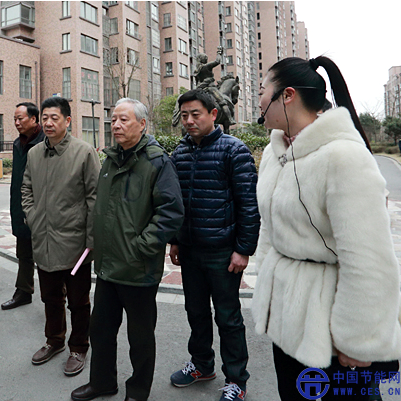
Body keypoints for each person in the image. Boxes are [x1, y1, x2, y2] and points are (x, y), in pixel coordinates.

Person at [253, 56, 401, 400]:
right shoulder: (275, 153)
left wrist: (357, 339)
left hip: (333, 331)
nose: (258, 99)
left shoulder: (344, 157)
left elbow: (368, 258)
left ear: (287, 95)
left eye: (262, 90)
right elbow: (270, 229)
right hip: (287, 323)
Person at [71, 98, 184, 401]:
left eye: (124, 120)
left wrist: (141, 247)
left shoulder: (157, 162)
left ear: (142, 124)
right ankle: (102, 382)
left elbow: (171, 211)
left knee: (140, 338)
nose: (116, 125)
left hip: (138, 268)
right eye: (114, 120)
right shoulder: (111, 159)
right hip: (108, 266)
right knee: (101, 331)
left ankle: (137, 391)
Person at [168, 89, 260, 401]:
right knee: (195, 312)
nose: (189, 121)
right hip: (190, 250)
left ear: (213, 114)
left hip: (223, 251)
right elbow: (175, 202)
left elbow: (249, 204)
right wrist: (175, 240)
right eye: (184, 115)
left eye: (196, 114)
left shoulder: (234, 150)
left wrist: (243, 249)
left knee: (228, 317)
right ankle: (202, 364)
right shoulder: (180, 153)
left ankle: (236, 379)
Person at [22, 96, 100, 376]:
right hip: (43, 239)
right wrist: (32, 216)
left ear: (67, 120)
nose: (48, 122)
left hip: (75, 242)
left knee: (79, 300)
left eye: (54, 118)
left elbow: (95, 198)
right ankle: (54, 340)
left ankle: (79, 347)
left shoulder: (84, 152)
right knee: (50, 297)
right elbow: (26, 189)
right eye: (44, 118)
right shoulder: (34, 153)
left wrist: (91, 240)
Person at [1, 102, 45, 310]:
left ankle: (54, 297)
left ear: (34, 119)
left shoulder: (45, 142)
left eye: (21, 118)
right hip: (20, 206)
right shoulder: (18, 143)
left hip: (41, 208)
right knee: (24, 254)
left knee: (46, 256)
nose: (17, 123)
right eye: (15, 119)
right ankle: (23, 292)